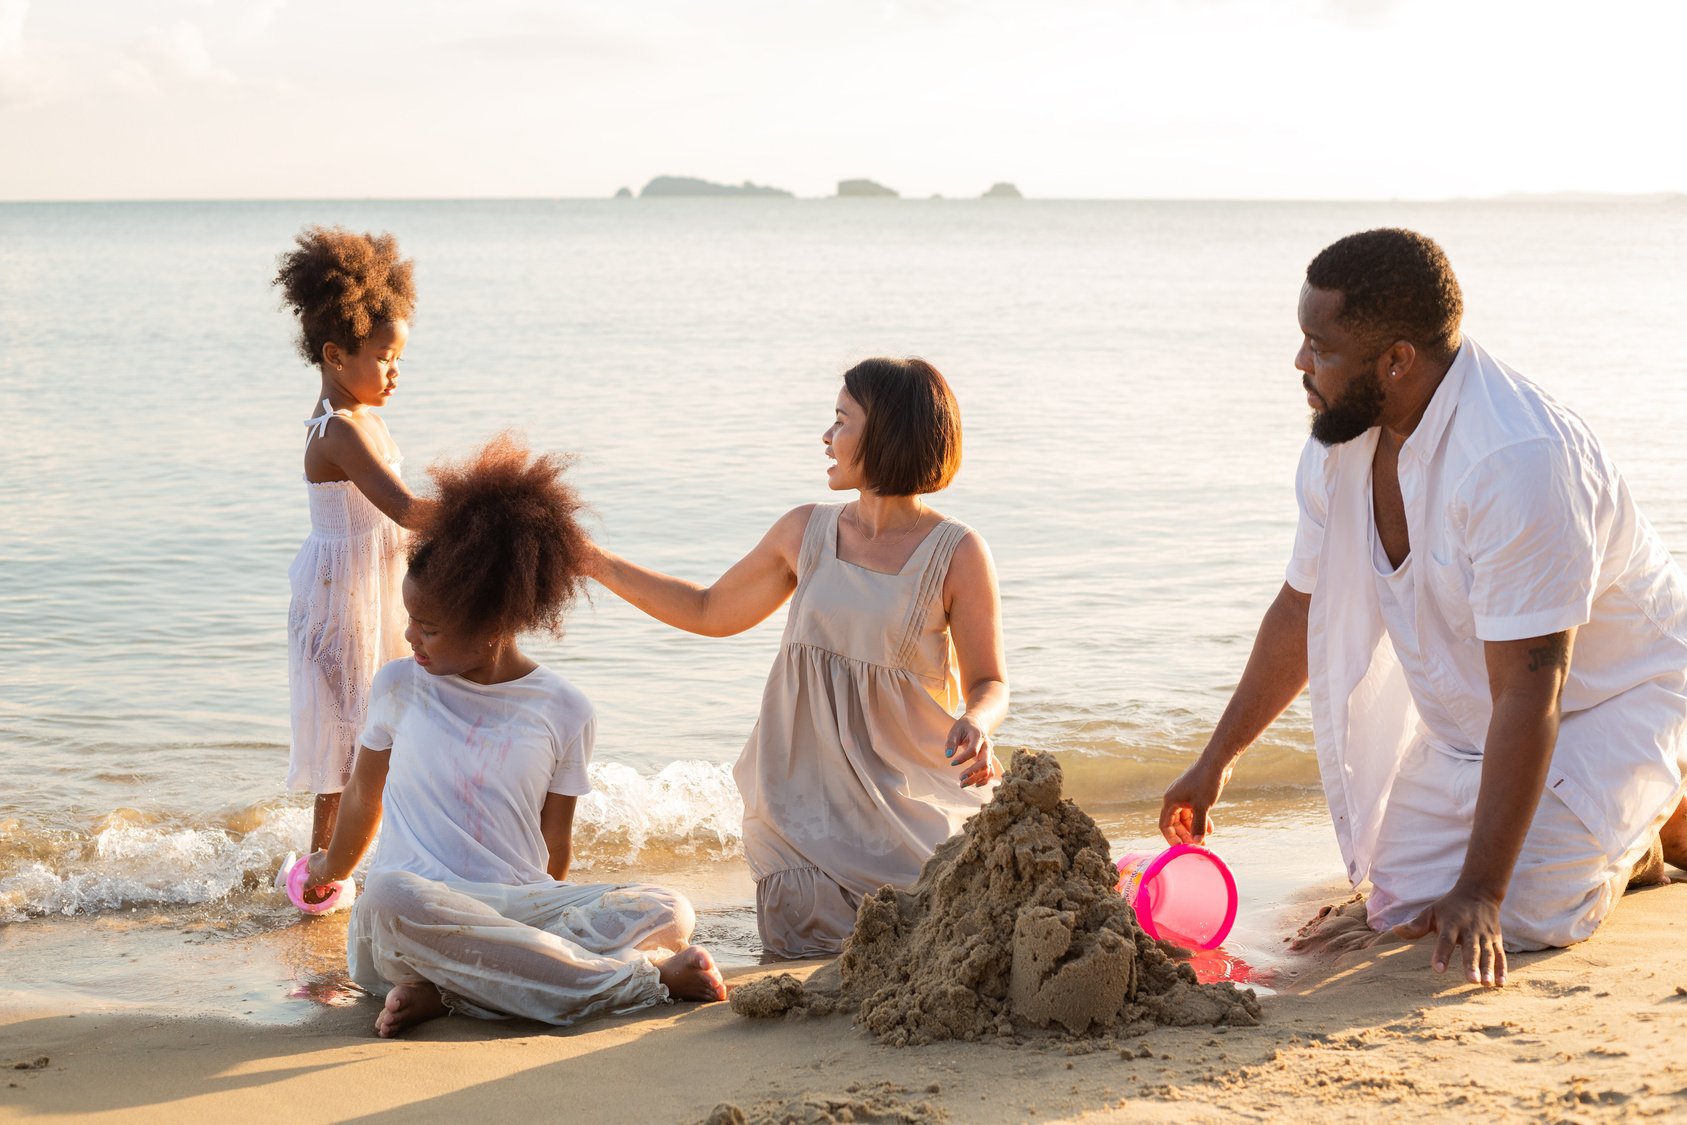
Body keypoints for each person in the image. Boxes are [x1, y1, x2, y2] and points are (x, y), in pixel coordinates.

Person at [1160, 228, 1687, 988]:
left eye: (1319, 345)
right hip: (1480, 720)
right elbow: (1297, 612)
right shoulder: (1340, 440)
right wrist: (1213, 761)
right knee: (1398, 901)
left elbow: (1531, 688)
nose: (1299, 363)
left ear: (1396, 360)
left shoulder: (1516, 461)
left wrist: (1481, 890)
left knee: (1524, 912)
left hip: (1604, 701)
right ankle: (1622, 833)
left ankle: (1640, 819)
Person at [300, 435, 726, 1037]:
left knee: (666, 908)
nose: (411, 638)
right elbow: (363, 799)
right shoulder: (399, 685)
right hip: (415, 917)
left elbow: (555, 852)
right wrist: (327, 869)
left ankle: (455, 993)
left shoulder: (565, 707)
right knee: (387, 896)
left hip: (519, 908)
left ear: (495, 622)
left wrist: (533, 926)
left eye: (430, 628)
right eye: (409, 621)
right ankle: (637, 981)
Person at [589, 357, 1009, 957]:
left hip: (900, 806)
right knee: (806, 941)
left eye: (841, 420)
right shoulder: (803, 532)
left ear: (885, 434)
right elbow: (709, 611)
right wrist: (593, 561)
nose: (826, 436)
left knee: (933, 936)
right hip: (797, 817)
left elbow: (989, 680)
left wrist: (978, 721)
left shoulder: (957, 551)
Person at [276, 227, 430, 863]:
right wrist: (490, 508)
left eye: (399, 358)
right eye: (384, 357)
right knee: (350, 747)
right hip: (342, 607)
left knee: (381, 735)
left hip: (372, 596)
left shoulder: (364, 414)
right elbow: (404, 508)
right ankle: (322, 875)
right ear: (335, 354)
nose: (395, 371)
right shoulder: (338, 430)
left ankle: (376, 860)